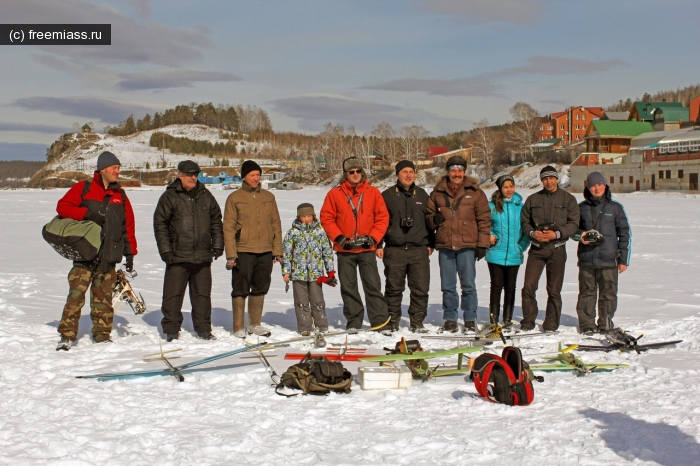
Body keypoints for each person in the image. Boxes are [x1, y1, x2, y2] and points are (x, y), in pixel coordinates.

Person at [55, 151, 137, 350]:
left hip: (109, 255)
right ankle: (67, 335)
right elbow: (62, 207)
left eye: (118, 168)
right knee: (75, 296)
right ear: (102, 170)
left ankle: (102, 335)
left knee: (103, 298)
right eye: (114, 168)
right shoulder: (84, 188)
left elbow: (128, 226)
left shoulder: (121, 195)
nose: (117, 171)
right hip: (85, 253)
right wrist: (86, 212)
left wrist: (130, 252)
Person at [153, 160, 223, 342]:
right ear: (180, 175)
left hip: (202, 254)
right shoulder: (170, 196)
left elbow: (216, 221)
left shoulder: (206, 195)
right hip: (177, 254)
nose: (194, 177)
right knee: (173, 294)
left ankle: (203, 328)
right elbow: (160, 224)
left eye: (196, 174)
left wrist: (217, 244)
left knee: (202, 295)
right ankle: (171, 329)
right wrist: (166, 249)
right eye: (190, 174)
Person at [320, 156, 391, 332]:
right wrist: (339, 237)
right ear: (346, 174)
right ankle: (354, 321)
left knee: (373, 285)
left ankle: (379, 321)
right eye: (351, 172)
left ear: (362, 172)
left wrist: (373, 238)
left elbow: (382, 218)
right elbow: (326, 218)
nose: (355, 174)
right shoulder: (334, 194)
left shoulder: (373, 192)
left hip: (367, 248)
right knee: (349, 287)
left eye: (358, 171)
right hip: (345, 250)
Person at [427, 155, 491, 333]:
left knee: (468, 285)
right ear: (448, 171)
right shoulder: (437, 193)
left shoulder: (476, 192)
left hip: (467, 246)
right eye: (453, 170)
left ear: (464, 172)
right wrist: (434, 219)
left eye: (460, 170)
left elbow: (484, 219)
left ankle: (470, 318)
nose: (457, 173)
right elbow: (428, 218)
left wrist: (482, 244)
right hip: (446, 245)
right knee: (448, 286)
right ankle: (450, 318)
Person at [223, 160, 283, 338]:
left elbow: (276, 224)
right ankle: (238, 326)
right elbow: (228, 227)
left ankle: (255, 324)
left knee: (260, 287)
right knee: (240, 288)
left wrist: (277, 250)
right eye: (252, 175)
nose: (256, 178)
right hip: (243, 249)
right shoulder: (234, 198)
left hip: (265, 250)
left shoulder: (268, 197)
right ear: (244, 177)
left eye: (258, 175)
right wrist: (231, 254)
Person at [520, 165, 580, 332]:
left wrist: (557, 234)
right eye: (545, 178)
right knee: (529, 286)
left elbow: (574, 224)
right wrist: (532, 233)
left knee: (554, 289)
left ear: (557, 179)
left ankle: (551, 323)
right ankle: (528, 321)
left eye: (551, 178)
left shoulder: (568, 199)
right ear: (541, 181)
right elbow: (525, 222)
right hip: (537, 250)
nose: (549, 181)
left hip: (557, 249)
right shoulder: (532, 200)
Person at [377, 160, 434, 333]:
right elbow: (380, 221)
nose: (408, 175)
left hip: (419, 249)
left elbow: (430, 220)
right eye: (404, 172)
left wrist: (432, 242)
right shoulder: (387, 196)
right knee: (393, 288)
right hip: (395, 249)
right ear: (397, 175)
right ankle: (392, 320)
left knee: (420, 288)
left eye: (411, 171)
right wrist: (379, 244)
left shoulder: (423, 195)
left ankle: (417, 320)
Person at [574, 171, 631, 334]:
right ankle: (586, 325)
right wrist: (581, 235)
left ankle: (605, 322)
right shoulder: (581, 208)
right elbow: (572, 229)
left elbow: (625, 233)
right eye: (593, 185)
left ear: (605, 186)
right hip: (587, 259)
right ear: (588, 188)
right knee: (586, 292)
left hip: (609, 260)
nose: (597, 188)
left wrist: (623, 259)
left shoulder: (616, 208)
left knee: (609, 293)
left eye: (600, 184)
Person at [282, 203, 337, 335]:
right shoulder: (292, 233)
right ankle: (305, 327)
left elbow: (327, 252)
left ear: (313, 216)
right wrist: (286, 271)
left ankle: (321, 325)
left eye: (309, 216)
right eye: (303, 216)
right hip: (298, 274)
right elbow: (286, 253)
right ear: (299, 217)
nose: (306, 219)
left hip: (316, 274)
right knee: (301, 302)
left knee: (317, 300)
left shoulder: (320, 232)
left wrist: (330, 271)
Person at [485, 175, 530, 329]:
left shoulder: (521, 207)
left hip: (514, 254)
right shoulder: (491, 206)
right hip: (495, 253)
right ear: (500, 188)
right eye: (505, 186)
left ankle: (507, 320)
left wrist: (521, 246)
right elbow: (484, 224)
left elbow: (527, 230)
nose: (509, 189)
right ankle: (493, 320)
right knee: (496, 286)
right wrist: (489, 234)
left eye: (511, 186)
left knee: (511, 287)